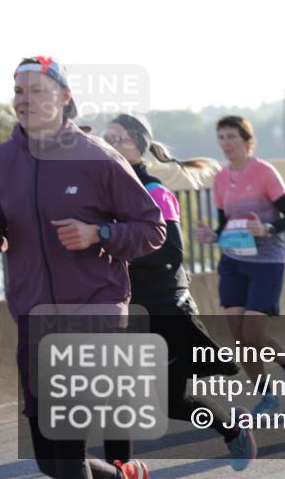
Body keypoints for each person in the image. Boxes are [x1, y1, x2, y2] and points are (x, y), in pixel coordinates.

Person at [0, 57, 165, 479]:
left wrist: (99, 235)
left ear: (64, 97)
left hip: (94, 309)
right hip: (33, 314)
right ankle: (126, 474)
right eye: (19, 91)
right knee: (51, 463)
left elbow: (152, 228)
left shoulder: (97, 158)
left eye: (37, 90)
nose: (25, 100)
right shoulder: (3, 161)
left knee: (69, 459)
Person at [104, 114, 256, 471]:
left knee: (172, 402)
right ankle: (118, 472)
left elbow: (170, 252)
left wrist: (111, 245)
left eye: (119, 138)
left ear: (139, 147)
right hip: (119, 311)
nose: (110, 144)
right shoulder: (101, 194)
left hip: (163, 311)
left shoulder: (156, 192)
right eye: (106, 137)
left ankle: (231, 429)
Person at [195, 115, 285, 416]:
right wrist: (211, 236)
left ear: (247, 140)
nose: (226, 143)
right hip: (232, 262)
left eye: (231, 137)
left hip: (266, 263)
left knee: (254, 334)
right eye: (221, 137)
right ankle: (267, 398)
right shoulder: (220, 178)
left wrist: (267, 229)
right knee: (239, 337)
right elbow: (224, 226)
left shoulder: (264, 173)